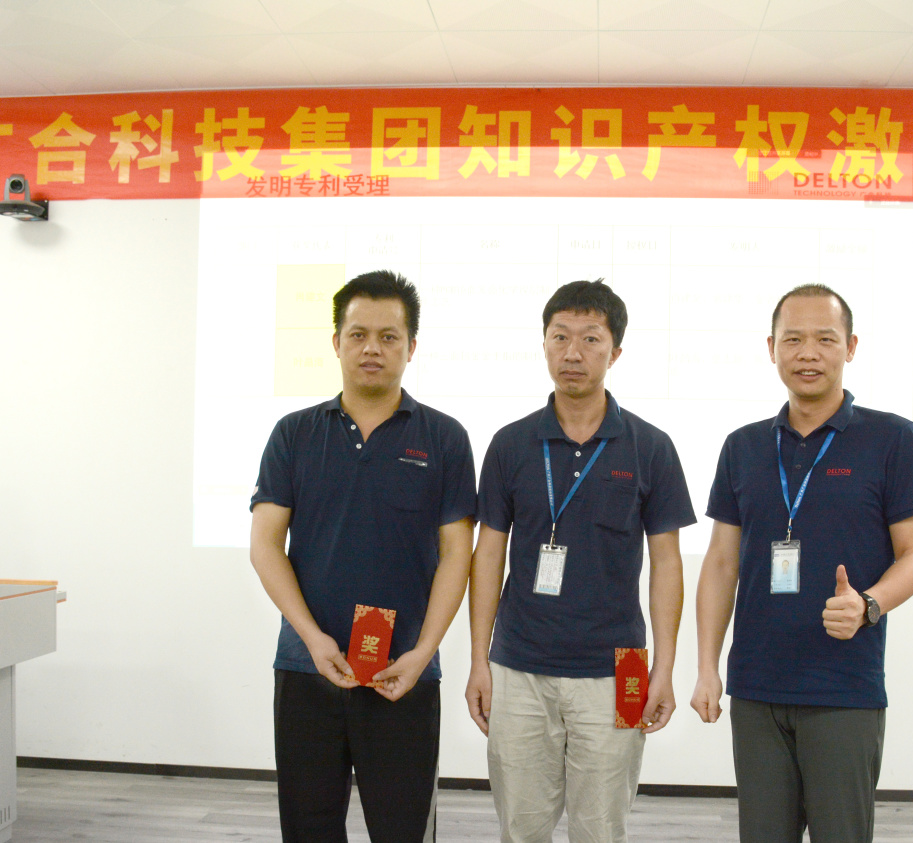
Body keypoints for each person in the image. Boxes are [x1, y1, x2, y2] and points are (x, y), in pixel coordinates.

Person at [691, 283, 913, 843]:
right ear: (771, 348)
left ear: (850, 347)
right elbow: (722, 564)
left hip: (843, 687)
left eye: (824, 339)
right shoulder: (743, 446)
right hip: (756, 687)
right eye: (793, 340)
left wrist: (869, 604)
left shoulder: (892, 438)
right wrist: (708, 666)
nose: (808, 354)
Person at [250, 270, 476, 843]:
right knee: (309, 829)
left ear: (411, 346)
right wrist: (312, 638)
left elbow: (458, 554)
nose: (372, 348)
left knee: (402, 831)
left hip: (404, 672)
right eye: (358, 335)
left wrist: (424, 652)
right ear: (336, 343)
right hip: (308, 667)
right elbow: (265, 544)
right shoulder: (294, 434)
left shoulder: (445, 438)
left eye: (388, 336)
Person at [465, 279, 695, 843]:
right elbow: (488, 554)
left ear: (615, 352)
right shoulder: (510, 444)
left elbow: (667, 564)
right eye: (560, 337)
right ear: (544, 344)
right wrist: (479, 660)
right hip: (518, 665)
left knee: (601, 829)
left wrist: (664, 668)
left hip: (618, 666)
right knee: (521, 828)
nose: (573, 352)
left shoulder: (651, 446)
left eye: (591, 339)